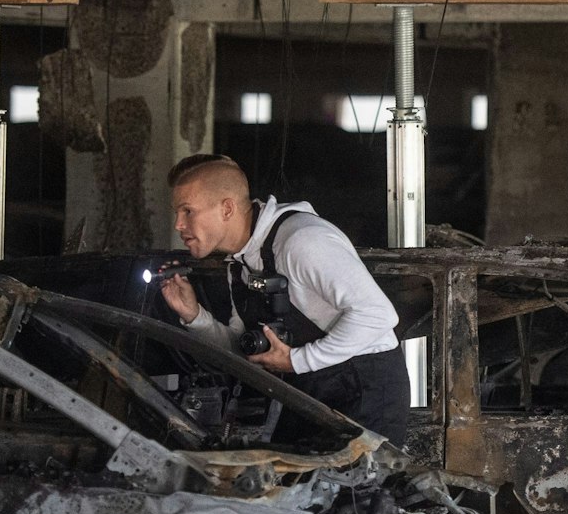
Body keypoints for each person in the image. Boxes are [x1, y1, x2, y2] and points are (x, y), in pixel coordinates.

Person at [159, 154, 409, 446]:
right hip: (308, 391)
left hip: (364, 392)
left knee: (353, 492)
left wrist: (297, 359)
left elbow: (378, 315)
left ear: (226, 208)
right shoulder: (241, 264)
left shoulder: (301, 241)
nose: (178, 225)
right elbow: (248, 353)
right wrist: (194, 317)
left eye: (187, 211)